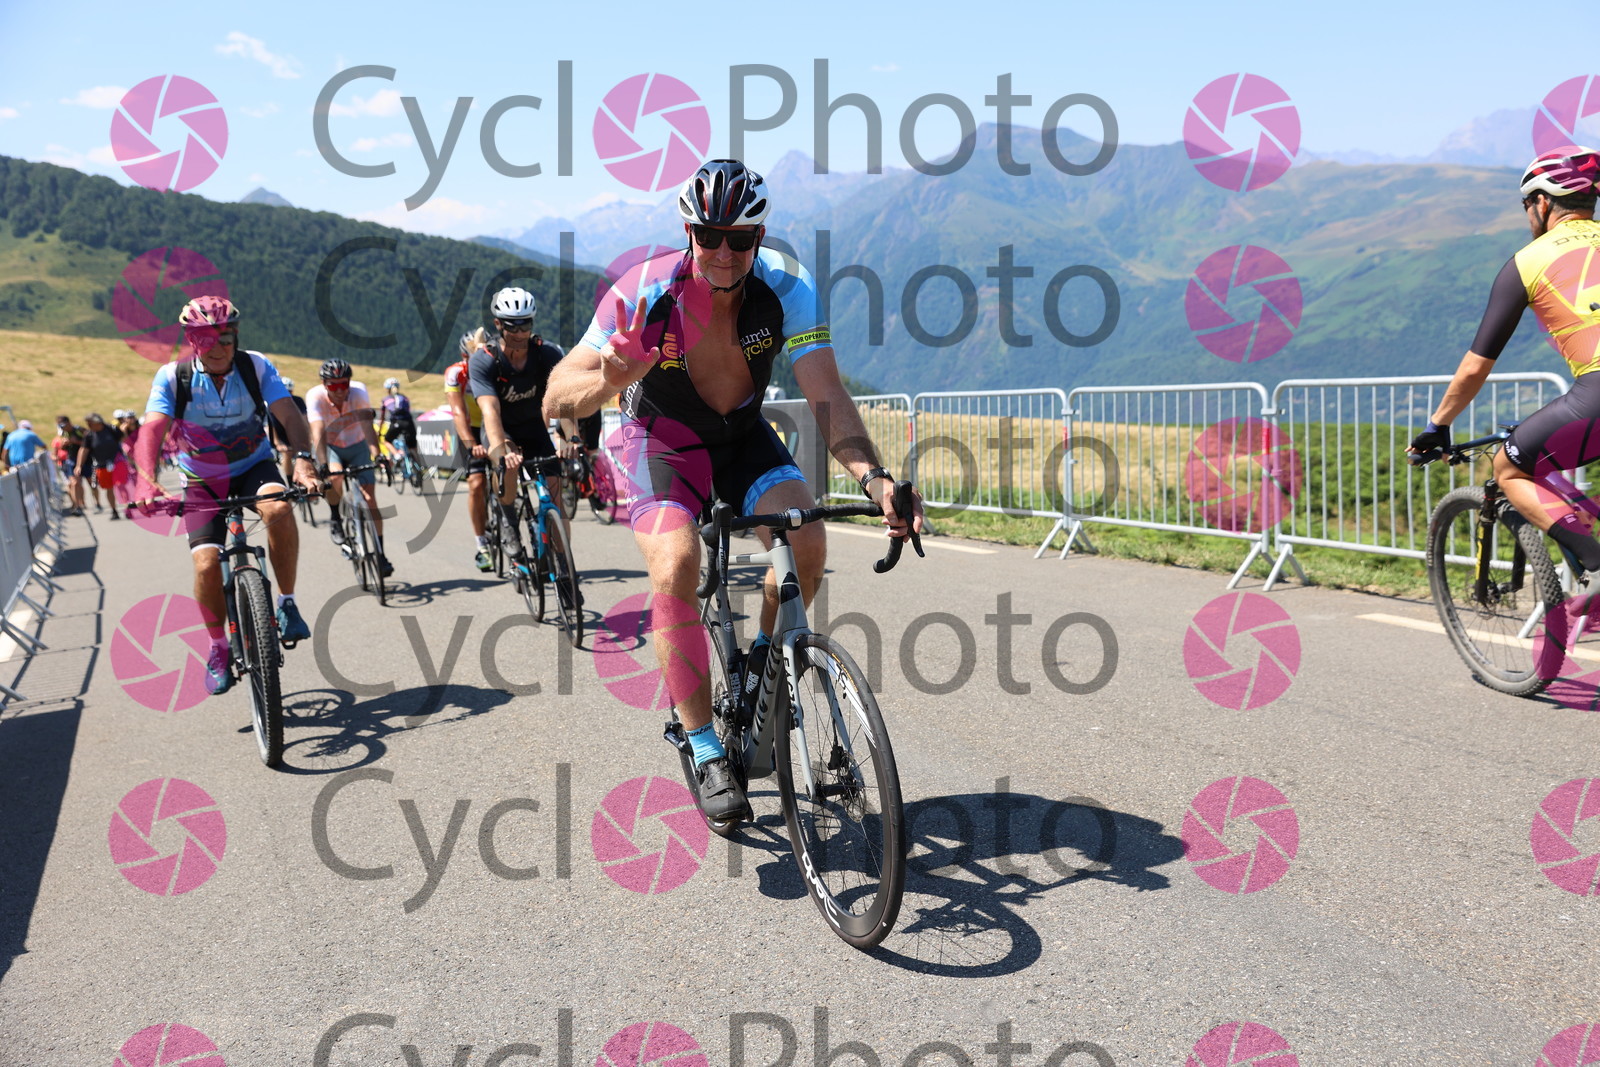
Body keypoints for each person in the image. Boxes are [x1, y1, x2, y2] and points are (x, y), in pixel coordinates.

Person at [545, 158, 925, 819]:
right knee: (677, 562)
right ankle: (702, 744)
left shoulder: (787, 287)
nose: (724, 252)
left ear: (760, 236)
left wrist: (875, 479)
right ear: (688, 232)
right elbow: (556, 395)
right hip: (661, 439)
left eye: (741, 238)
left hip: (741, 434)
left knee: (807, 539)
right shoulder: (642, 292)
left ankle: (764, 667)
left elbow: (827, 394)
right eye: (710, 235)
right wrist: (609, 378)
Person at [1409, 146, 1600, 637]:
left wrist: (1437, 426)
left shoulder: (1527, 262)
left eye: (1526, 205)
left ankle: (1596, 565)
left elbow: (1476, 366)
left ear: (1542, 202)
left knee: (1509, 466)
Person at [133, 296, 319, 695]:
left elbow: (289, 415)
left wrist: (304, 461)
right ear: (191, 340)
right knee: (205, 565)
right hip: (202, 479)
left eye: (225, 338)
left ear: (236, 337)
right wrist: (147, 480)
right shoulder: (173, 377)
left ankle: (287, 602)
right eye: (205, 339)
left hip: (254, 466)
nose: (216, 348)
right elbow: (151, 431)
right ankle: (218, 646)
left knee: (278, 508)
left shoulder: (255, 366)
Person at [469, 287, 576, 578]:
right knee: (508, 465)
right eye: (512, 326)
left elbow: (563, 400)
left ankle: (564, 569)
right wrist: (503, 451)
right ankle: (507, 519)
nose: (520, 332)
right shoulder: (484, 360)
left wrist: (570, 437)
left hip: (533, 429)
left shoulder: (547, 353)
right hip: (501, 431)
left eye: (525, 324)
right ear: (498, 324)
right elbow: (490, 411)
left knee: (555, 500)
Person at [306, 358, 392, 577]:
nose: (339, 390)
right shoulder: (315, 396)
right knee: (335, 478)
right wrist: (322, 464)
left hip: (357, 444)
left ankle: (381, 554)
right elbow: (317, 431)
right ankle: (336, 516)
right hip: (331, 446)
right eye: (333, 385)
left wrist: (377, 455)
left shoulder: (359, 392)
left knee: (370, 500)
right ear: (324, 384)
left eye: (344, 384)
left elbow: (367, 426)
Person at [445, 328, 494, 571]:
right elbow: (457, 412)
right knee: (476, 483)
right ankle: (481, 543)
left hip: (494, 424)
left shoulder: (494, 366)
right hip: (471, 429)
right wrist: (471, 444)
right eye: (469, 357)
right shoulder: (456, 373)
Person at [79, 413, 130, 519]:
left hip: (117, 462)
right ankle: (114, 511)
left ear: (98, 422)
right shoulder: (89, 435)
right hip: (101, 465)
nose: (88, 426)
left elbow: (124, 440)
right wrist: (79, 465)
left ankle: (127, 508)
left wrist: (130, 456)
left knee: (121, 485)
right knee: (109, 488)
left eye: (90, 423)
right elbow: (84, 450)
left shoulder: (111, 429)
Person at [268, 378, 309, 486]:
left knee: (306, 455)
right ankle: (290, 482)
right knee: (287, 453)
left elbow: (305, 421)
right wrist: (278, 443)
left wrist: (308, 438)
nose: (287, 395)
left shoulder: (298, 401)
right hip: (280, 436)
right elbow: (271, 426)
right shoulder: (273, 403)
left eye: (290, 392)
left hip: (294, 433)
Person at [378, 376, 419, 471]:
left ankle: (397, 455)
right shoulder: (405, 398)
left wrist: (379, 431)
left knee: (386, 441)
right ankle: (418, 467)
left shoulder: (385, 399)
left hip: (396, 422)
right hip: (409, 422)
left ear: (387, 389)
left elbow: (382, 417)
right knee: (412, 446)